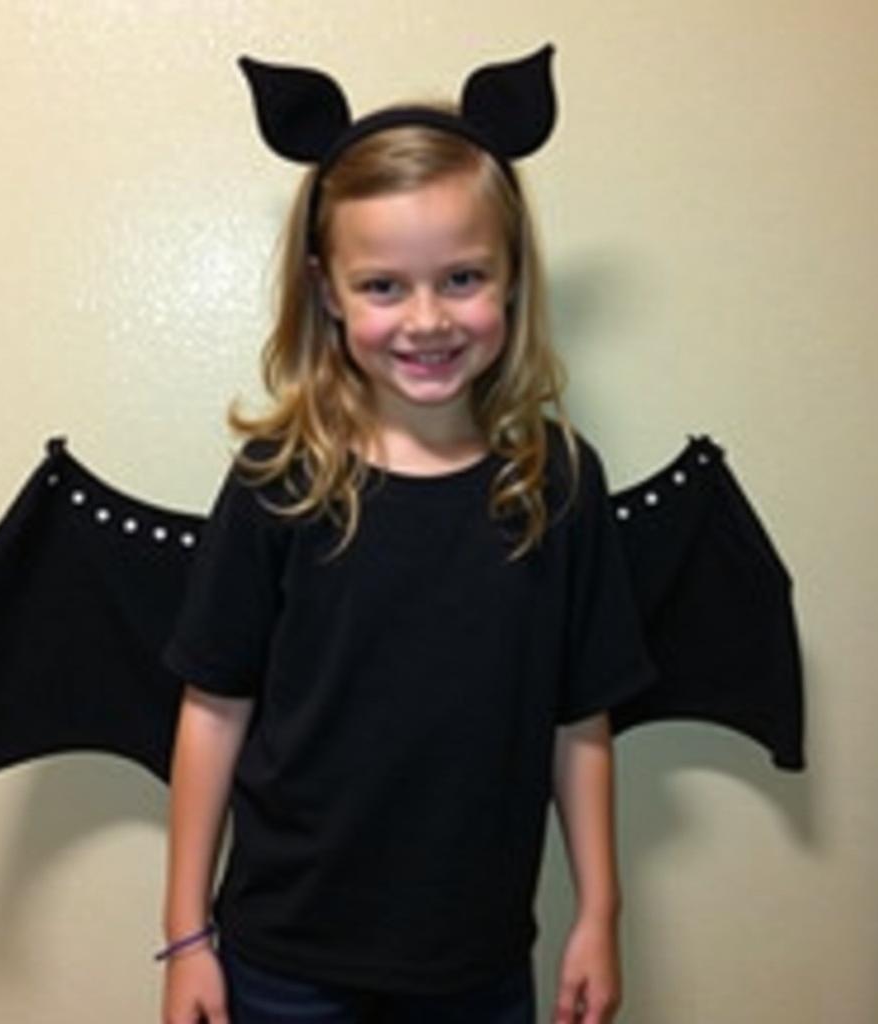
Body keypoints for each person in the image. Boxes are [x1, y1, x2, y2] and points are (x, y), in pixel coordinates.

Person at [156, 46, 656, 1024]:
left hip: (475, 967)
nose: (427, 320)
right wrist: (185, 937)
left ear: (512, 280)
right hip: (283, 961)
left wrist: (600, 911)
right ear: (327, 291)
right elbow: (212, 711)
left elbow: (580, 720)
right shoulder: (280, 480)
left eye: (462, 277)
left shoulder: (556, 483)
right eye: (383, 285)